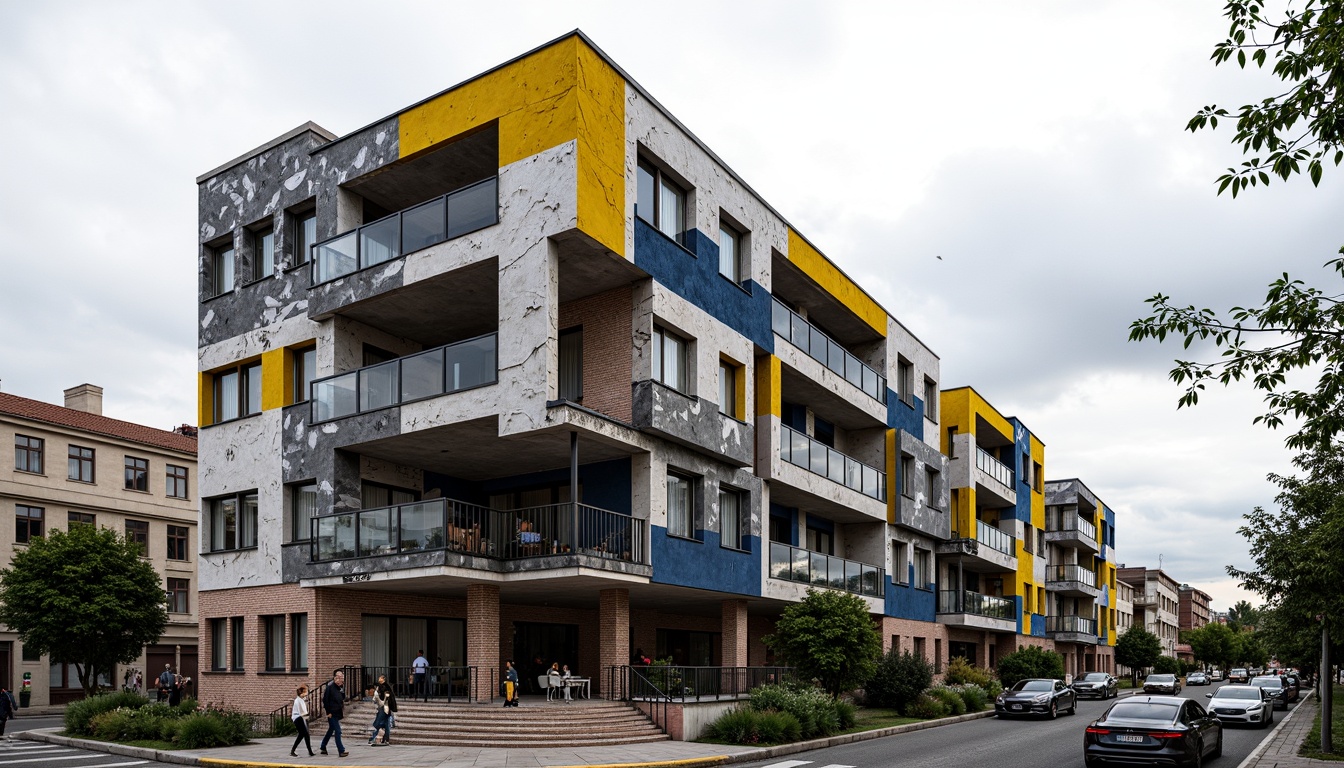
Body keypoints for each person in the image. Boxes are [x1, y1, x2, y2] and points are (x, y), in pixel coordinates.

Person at [320, 669, 349, 757]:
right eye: (339, 677)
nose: (341, 679)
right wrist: (328, 712)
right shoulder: (330, 687)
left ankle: (323, 746)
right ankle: (341, 750)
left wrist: (342, 688)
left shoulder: (339, 688)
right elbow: (325, 700)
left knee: (331, 730)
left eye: (342, 677)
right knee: (338, 731)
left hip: (337, 712)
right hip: (331, 713)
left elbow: (343, 698)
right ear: (335, 678)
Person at [368, 675, 394, 745]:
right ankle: (385, 739)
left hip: (385, 707)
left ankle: (375, 737)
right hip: (383, 707)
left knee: (378, 723)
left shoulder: (385, 687)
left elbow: (387, 698)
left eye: (381, 678)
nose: (379, 679)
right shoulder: (380, 687)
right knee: (386, 724)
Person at [289, 685, 314, 757]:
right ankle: (293, 751)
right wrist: (307, 719)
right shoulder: (298, 701)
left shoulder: (301, 700)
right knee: (303, 734)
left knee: (304, 735)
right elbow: (302, 712)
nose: (307, 693)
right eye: (306, 692)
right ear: (301, 693)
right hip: (298, 718)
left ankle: (310, 751)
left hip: (300, 718)